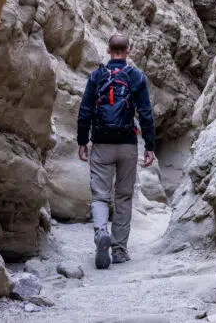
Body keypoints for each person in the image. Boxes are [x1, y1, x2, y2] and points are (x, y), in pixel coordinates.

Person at [76, 34, 156, 270]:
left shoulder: (97, 76)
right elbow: (145, 113)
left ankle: (102, 233)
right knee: (123, 196)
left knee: (100, 196)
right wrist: (149, 146)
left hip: (101, 144)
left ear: (108, 50)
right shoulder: (135, 77)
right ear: (128, 51)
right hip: (128, 144)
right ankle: (119, 250)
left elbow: (85, 111)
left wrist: (82, 142)